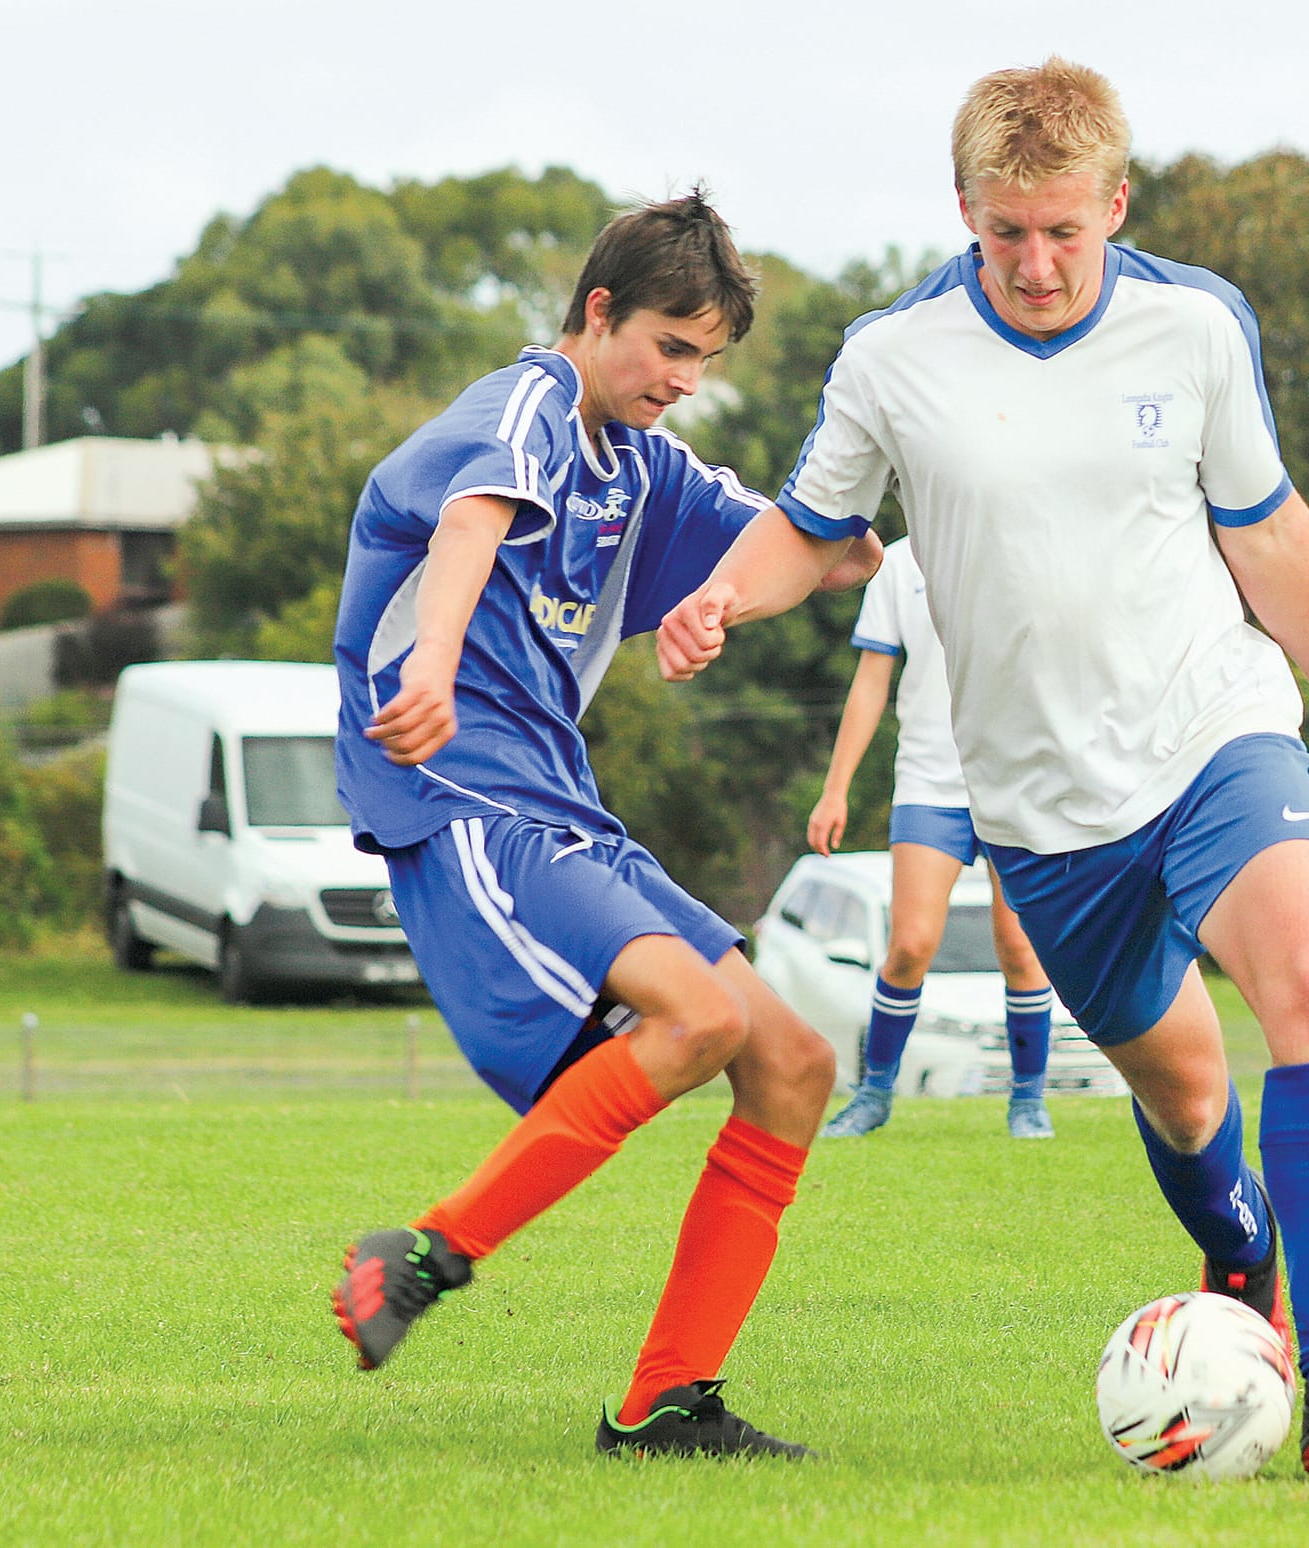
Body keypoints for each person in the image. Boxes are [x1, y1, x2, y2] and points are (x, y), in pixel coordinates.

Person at [659, 61, 1309, 1478]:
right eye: (1005, 232)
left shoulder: (1197, 327)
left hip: (1218, 737)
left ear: (1115, 205)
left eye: (1063, 231)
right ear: (964, 211)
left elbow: (1267, 531)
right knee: (1191, 1103)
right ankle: (1242, 1259)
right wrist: (726, 595)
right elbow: (808, 524)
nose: (1035, 263)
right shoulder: (890, 357)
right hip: (1041, 814)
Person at [326, 192, 879, 1460]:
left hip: (564, 806)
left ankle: (665, 1404)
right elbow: (472, 521)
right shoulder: (525, 406)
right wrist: (433, 666)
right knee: (697, 1020)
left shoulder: (644, 464)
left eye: (705, 359)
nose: (685, 381)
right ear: (596, 313)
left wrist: (732, 599)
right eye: (670, 348)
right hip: (465, 793)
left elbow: (819, 548)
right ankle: (423, 1255)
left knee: (791, 1066)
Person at [809, 535, 1059, 1141]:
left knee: (1021, 949)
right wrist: (835, 788)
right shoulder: (895, 564)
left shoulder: (1028, 542)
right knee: (912, 945)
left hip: (1016, 780)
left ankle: (1028, 1101)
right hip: (928, 781)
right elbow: (871, 683)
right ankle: (874, 1094)